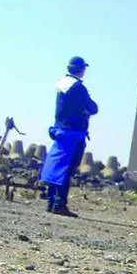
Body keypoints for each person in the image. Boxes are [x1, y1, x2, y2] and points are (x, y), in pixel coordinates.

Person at [40, 56, 98, 217]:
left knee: (55, 168)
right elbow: (93, 108)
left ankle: (51, 202)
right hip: (74, 134)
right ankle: (60, 204)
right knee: (66, 170)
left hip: (59, 131)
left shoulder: (61, 86)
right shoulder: (78, 87)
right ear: (81, 70)